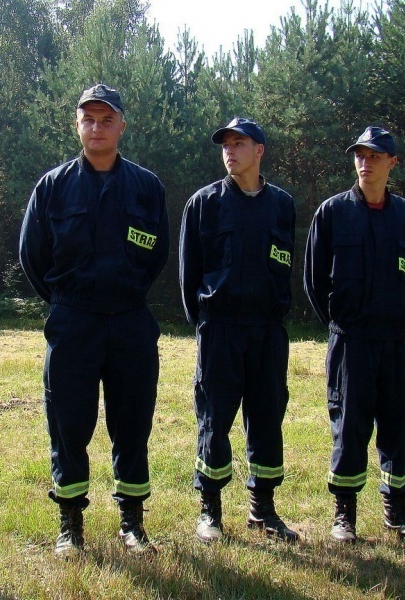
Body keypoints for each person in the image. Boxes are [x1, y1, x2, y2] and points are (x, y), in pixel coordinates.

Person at [19, 83, 169, 558]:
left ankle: (132, 522)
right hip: (73, 323)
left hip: (129, 322)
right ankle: (71, 523)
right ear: (77, 125)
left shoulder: (146, 187)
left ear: (122, 125)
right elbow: (32, 256)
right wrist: (67, 302)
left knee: (132, 423)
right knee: (68, 423)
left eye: (107, 119)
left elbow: (157, 253)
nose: (97, 127)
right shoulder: (53, 186)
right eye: (89, 119)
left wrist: (123, 294)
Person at [303, 126, 405, 547]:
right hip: (352, 339)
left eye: (375, 156)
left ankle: (397, 512)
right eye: (360, 155)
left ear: (392, 163)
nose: (365, 162)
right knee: (350, 424)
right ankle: (344, 514)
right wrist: (343, 323)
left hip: (396, 340)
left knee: (399, 423)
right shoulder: (332, 213)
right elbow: (313, 279)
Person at [179, 117, 298, 544]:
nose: (230, 150)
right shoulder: (204, 203)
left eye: (239, 143)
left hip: (267, 331)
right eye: (225, 144)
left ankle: (262, 510)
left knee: (267, 417)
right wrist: (207, 326)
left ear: (259, 150)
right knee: (215, 418)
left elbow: (285, 264)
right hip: (221, 329)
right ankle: (210, 510)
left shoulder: (282, 205)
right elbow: (189, 274)